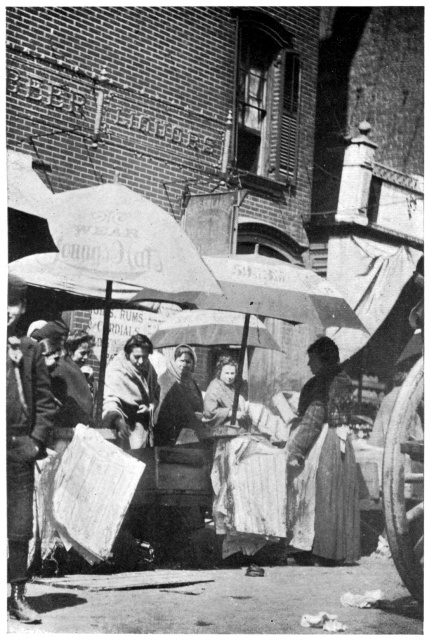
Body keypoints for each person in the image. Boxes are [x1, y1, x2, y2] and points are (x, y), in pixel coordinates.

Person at [7, 274, 56, 623]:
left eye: (13, 304)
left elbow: (45, 401)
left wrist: (36, 440)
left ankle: (16, 594)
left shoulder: (29, 348)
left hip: (18, 447)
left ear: (22, 307)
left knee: (19, 525)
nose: (6, 311)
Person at [286, 336, 360, 566]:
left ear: (323, 359)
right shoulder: (344, 379)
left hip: (325, 441)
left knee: (320, 495)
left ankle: (320, 550)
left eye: (312, 359)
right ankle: (338, 551)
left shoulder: (322, 383)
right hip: (343, 440)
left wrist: (296, 450)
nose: (309, 364)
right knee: (338, 495)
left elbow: (314, 420)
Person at [103, 334, 160, 449]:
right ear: (128, 354)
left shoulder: (148, 367)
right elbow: (110, 399)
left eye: (145, 356)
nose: (141, 361)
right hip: (123, 429)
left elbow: (156, 391)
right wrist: (118, 420)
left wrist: (150, 406)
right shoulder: (116, 370)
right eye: (137, 356)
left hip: (143, 429)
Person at [48, 330, 95, 452]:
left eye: (88, 353)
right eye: (82, 353)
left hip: (78, 432)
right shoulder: (62, 368)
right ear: (70, 350)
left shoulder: (80, 371)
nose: (86, 357)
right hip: (64, 434)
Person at [154, 344, 204, 447]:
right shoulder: (166, 381)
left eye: (188, 362)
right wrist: (190, 416)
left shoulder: (191, 382)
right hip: (170, 439)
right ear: (174, 361)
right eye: (181, 361)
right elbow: (160, 415)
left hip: (190, 436)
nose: (184, 365)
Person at [203, 354, 250, 432]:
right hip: (217, 427)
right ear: (220, 372)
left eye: (232, 373)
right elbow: (209, 412)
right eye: (226, 373)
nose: (229, 377)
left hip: (232, 423)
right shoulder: (214, 387)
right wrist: (231, 413)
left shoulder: (231, 386)